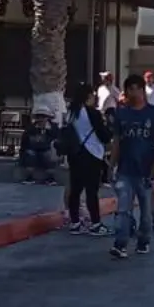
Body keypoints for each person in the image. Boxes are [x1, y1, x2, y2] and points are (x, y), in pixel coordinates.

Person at [108, 74, 154, 259]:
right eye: (129, 89)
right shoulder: (121, 113)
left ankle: (143, 240)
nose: (133, 92)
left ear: (142, 90)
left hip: (145, 171)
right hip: (125, 169)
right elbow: (117, 141)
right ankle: (121, 243)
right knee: (123, 209)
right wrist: (112, 165)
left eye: (136, 88)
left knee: (146, 212)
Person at [63, 82, 112, 235]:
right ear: (88, 96)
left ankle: (75, 222)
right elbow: (104, 136)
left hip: (74, 154)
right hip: (92, 154)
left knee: (75, 190)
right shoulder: (92, 113)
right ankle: (96, 224)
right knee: (92, 191)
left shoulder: (70, 113)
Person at [19, 107, 59, 185]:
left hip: (48, 149)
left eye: (43, 116)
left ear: (47, 117)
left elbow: (57, 139)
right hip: (33, 149)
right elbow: (24, 142)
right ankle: (30, 177)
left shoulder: (53, 127)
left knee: (48, 155)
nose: (41, 119)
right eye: (39, 117)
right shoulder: (31, 128)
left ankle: (51, 177)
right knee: (30, 154)